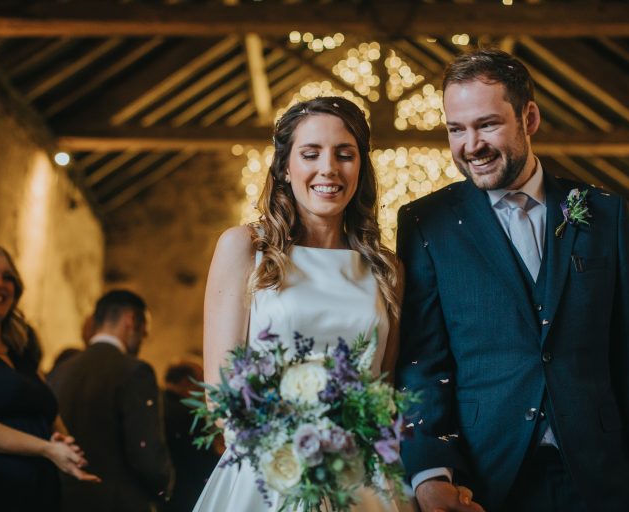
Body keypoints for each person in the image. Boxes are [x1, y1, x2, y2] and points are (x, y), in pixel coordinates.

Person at [395, 48, 629, 512]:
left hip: (600, 479)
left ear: (529, 117)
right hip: (485, 481)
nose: (471, 145)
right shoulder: (427, 223)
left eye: (487, 124)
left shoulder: (603, 212)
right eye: (456, 129)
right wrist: (430, 471)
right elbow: (423, 364)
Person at [192, 96, 418, 511]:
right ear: (284, 167)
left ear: (360, 169)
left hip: (360, 480)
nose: (328, 169)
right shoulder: (245, 248)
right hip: (267, 474)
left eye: (344, 155)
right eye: (310, 154)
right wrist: (297, 466)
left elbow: (384, 392)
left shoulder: (387, 270)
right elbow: (221, 395)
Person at [0, 244, 98, 511]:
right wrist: (46, 449)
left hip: (40, 488)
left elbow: (46, 409)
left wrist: (60, 439)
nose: (0, 284)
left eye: (8, 278)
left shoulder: (22, 349)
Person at [48, 289, 172, 512]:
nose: (144, 337)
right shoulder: (135, 371)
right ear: (131, 320)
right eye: (145, 330)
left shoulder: (60, 371)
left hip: (65, 501)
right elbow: (146, 451)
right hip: (119, 502)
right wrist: (165, 488)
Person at [161, 361, 220, 512]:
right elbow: (202, 458)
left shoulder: (157, 404)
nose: (202, 389)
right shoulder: (188, 413)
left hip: (165, 488)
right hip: (189, 490)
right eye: (200, 382)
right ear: (187, 382)